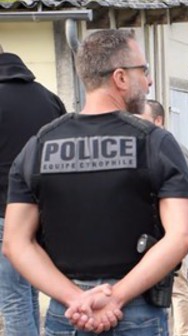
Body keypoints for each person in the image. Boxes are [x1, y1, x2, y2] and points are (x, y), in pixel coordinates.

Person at [2, 29, 188, 335]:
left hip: (67, 313)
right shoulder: (155, 142)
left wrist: (75, 299)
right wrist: (115, 297)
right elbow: (182, 235)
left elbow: (16, 243)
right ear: (120, 77)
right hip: (135, 310)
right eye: (143, 71)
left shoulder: (39, 146)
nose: (149, 81)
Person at [0, 44, 66, 336]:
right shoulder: (49, 98)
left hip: (5, 214)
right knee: (29, 293)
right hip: (48, 214)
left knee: (14, 299)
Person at [139, 99, 188, 336]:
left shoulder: (171, 148)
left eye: (141, 119)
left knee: (177, 286)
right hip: (152, 228)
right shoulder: (148, 146)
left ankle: (183, 333)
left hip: (170, 228)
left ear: (158, 120)